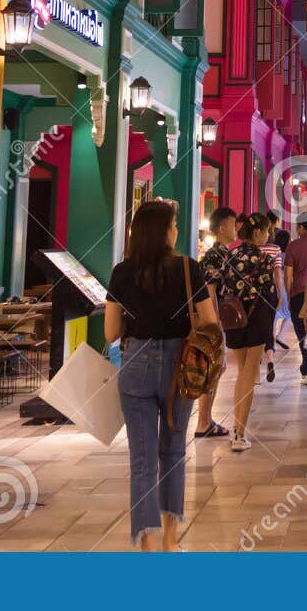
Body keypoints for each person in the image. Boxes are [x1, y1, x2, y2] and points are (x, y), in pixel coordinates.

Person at [104, 199, 217, 550]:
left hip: (136, 365)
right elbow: (210, 323)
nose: (177, 231)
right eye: (174, 225)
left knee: (142, 461)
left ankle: (147, 542)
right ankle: (171, 538)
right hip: (179, 370)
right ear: (166, 231)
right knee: (173, 453)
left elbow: (110, 333)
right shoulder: (188, 268)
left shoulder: (123, 272)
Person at [201, 211, 280, 451]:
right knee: (249, 374)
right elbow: (272, 295)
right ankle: (239, 433)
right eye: (266, 231)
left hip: (233, 320)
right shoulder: (264, 258)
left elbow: (213, 289)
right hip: (257, 319)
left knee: (242, 373)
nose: (267, 235)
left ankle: (238, 429)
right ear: (257, 233)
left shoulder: (228, 256)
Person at [192, 207, 237, 440]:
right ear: (221, 228)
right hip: (212, 320)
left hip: (213, 318)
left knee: (217, 367)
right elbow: (209, 291)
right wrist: (215, 323)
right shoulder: (216, 255)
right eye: (232, 224)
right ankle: (203, 422)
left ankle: (206, 419)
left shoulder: (220, 253)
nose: (235, 229)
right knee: (213, 367)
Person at [285, 218, 307, 386]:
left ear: (300, 227)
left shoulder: (293, 246)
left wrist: (288, 294)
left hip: (300, 293)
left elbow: (288, 276)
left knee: (302, 332)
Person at [263, 226, 289, 383]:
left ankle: (270, 342)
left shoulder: (257, 250)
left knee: (270, 318)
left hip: (263, 289)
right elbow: (280, 274)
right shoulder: (278, 252)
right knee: (287, 313)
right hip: (278, 287)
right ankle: (277, 340)